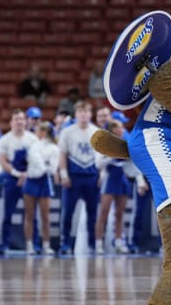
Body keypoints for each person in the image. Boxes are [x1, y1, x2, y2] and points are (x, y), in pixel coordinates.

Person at [58, 101, 99, 254]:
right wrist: (63, 174)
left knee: (92, 213)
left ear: (90, 114)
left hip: (91, 176)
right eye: (80, 111)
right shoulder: (67, 132)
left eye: (86, 111)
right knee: (68, 212)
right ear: (76, 114)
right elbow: (62, 154)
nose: (83, 114)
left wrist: (101, 174)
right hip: (73, 177)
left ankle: (92, 244)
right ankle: (65, 244)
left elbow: (101, 157)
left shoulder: (96, 132)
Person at [0, 109, 39, 253]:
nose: (19, 122)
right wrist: (16, 173)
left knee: (31, 213)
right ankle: (4, 244)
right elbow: (2, 161)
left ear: (25, 121)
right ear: (11, 122)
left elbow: (38, 160)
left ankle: (33, 244)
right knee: (8, 213)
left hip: (30, 177)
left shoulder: (33, 139)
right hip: (11, 178)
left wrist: (26, 174)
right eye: (16, 119)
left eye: (21, 119)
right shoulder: (5, 139)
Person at [94, 120, 131, 254]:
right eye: (119, 127)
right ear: (113, 130)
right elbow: (98, 164)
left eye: (122, 127)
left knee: (120, 214)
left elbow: (131, 164)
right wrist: (111, 156)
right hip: (109, 179)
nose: (122, 129)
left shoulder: (125, 144)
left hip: (122, 178)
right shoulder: (104, 144)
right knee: (103, 212)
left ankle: (119, 242)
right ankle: (99, 244)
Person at [24, 122, 59, 255]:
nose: (37, 133)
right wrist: (43, 164)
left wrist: (43, 166)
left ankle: (46, 245)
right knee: (29, 215)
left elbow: (52, 169)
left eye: (39, 131)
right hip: (32, 181)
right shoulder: (32, 147)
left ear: (44, 132)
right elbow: (30, 163)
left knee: (45, 216)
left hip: (44, 182)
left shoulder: (54, 148)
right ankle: (29, 245)